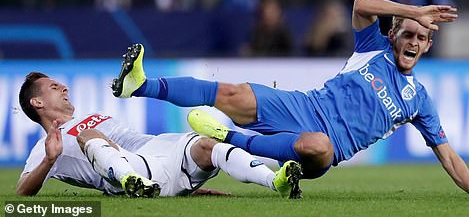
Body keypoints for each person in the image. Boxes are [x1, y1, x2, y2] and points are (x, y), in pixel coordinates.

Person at [112, 0, 469, 199]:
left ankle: (226, 138)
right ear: (393, 35)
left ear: (426, 48)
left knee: (315, 145)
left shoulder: (418, 99)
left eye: (420, 38)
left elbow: (447, 152)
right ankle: (141, 85)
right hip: (301, 105)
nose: (414, 41)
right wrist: (413, 10)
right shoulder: (373, 48)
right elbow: (360, 5)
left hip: (325, 148)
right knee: (232, 91)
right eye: (408, 33)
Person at [16, 72, 302, 198]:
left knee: (207, 145)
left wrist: (190, 190)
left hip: (157, 154)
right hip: (124, 172)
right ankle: (131, 181)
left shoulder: (90, 116)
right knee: (90, 134)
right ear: (37, 103)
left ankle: (275, 182)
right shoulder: (47, 146)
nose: (64, 88)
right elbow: (21, 193)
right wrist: (48, 161)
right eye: (54, 87)